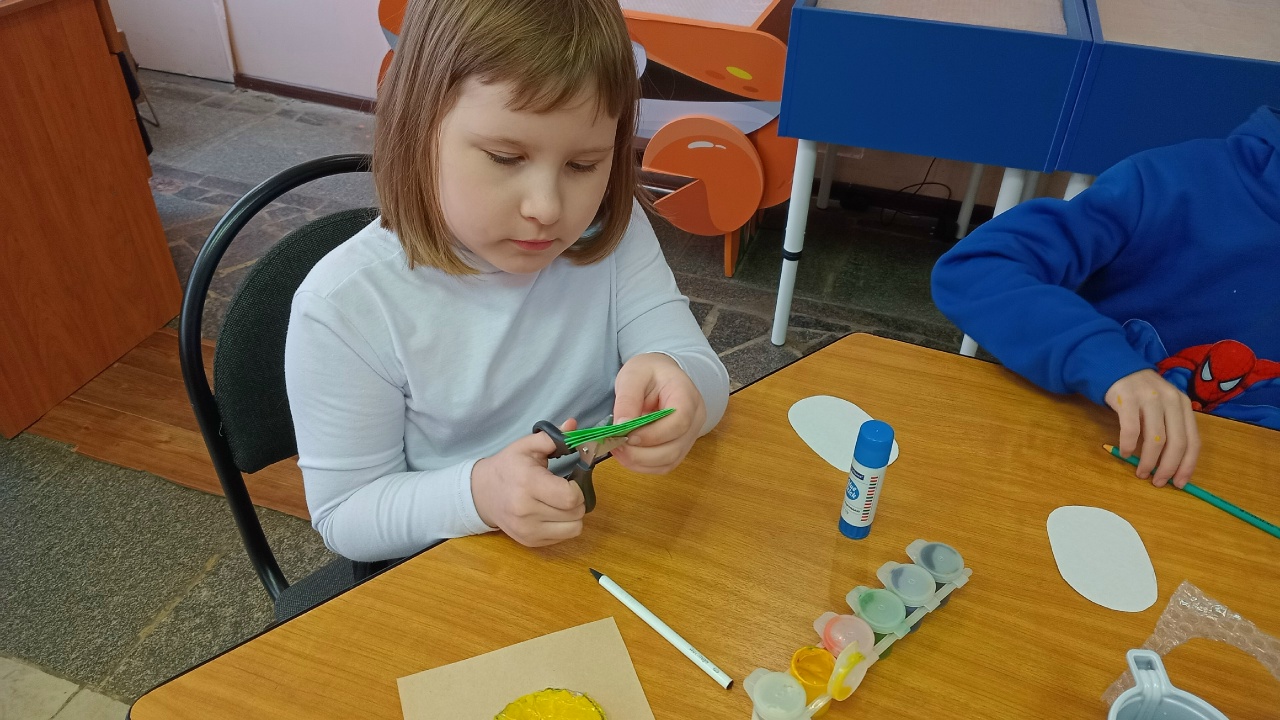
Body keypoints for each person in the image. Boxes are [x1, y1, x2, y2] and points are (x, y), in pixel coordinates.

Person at [284, 0, 730, 564]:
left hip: (610, 533)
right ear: (419, 128)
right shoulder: (345, 305)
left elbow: (706, 379)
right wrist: (480, 494)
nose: (547, 208)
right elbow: (345, 515)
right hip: (458, 564)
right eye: (504, 156)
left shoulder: (610, 233)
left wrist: (683, 389)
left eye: (584, 165)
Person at [932, 106, 1280, 490]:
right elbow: (975, 268)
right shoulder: (1168, 182)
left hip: (1245, 478)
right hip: (1101, 446)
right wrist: (1110, 363)